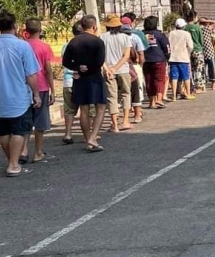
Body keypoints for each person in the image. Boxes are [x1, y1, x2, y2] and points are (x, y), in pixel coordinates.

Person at [0, 11, 41, 176]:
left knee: (3, 131)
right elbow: (31, 75)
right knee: (19, 130)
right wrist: (36, 94)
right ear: (15, 26)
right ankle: (13, 164)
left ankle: (11, 160)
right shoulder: (22, 46)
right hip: (19, 95)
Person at [62, 15, 107, 152]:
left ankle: (88, 139)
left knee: (84, 109)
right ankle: (93, 137)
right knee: (101, 107)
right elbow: (99, 62)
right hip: (94, 77)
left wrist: (78, 67)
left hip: (80, 79)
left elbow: (65, 61)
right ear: (94, 27)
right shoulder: (98, 42)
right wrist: (89, 68)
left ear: (82, 26)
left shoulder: (73, 41)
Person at [24, 17, 55, 162]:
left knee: (25, 120)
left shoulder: (22, 45)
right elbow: (48, 70)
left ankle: (23, 151)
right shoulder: (44, 47)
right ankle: (38, 152)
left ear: (26, 30)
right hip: (41, 87)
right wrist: (52, 90)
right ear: (40, 30)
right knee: (40, 122)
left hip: (24, 87)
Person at [101, 13, 133, 132]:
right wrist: (116, 67)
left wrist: (108, 69)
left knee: (111, 96)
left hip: (108, 70)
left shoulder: (102, 37)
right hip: (123, 69)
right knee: (126, 93)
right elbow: (126, 56)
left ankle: (114, 124)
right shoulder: (125, 37)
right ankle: (125, 121)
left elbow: (100, 57)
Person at [142, 14, 170, 108]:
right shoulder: (160, 35)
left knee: (149, 80)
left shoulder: (142, 34)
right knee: (159, 80)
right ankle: (159, 99)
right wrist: (167, 57)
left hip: (146, 60)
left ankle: (151, 102)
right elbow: (167, 47)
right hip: (159, 59)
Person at [121, 15, 146, 122]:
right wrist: (141, 64)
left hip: (118, 66)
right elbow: (141, 54)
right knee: (137, 89)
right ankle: (137, 114)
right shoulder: (135, 37)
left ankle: (127, 111)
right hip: (133, 65)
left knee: (124, 91)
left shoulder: (116, 38)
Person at [168, 17, 194, 99]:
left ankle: (174, 95)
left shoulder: (171, 33)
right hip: (183, 57)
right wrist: (188, 52)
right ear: (183, 26)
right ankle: (188, 93)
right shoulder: (186, 34)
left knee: (174, 77)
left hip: (173, 57)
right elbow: (191, 46)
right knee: (186, 76)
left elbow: (168, 44)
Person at [184, 12, 207, 93]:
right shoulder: (197, 27)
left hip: (188, 51)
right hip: (197, 50)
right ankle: (199, 86)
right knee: (199, 69)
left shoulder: (185, 28)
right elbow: (201, 40)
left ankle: (191, 86)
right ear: (194, 17)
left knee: (190, 69)